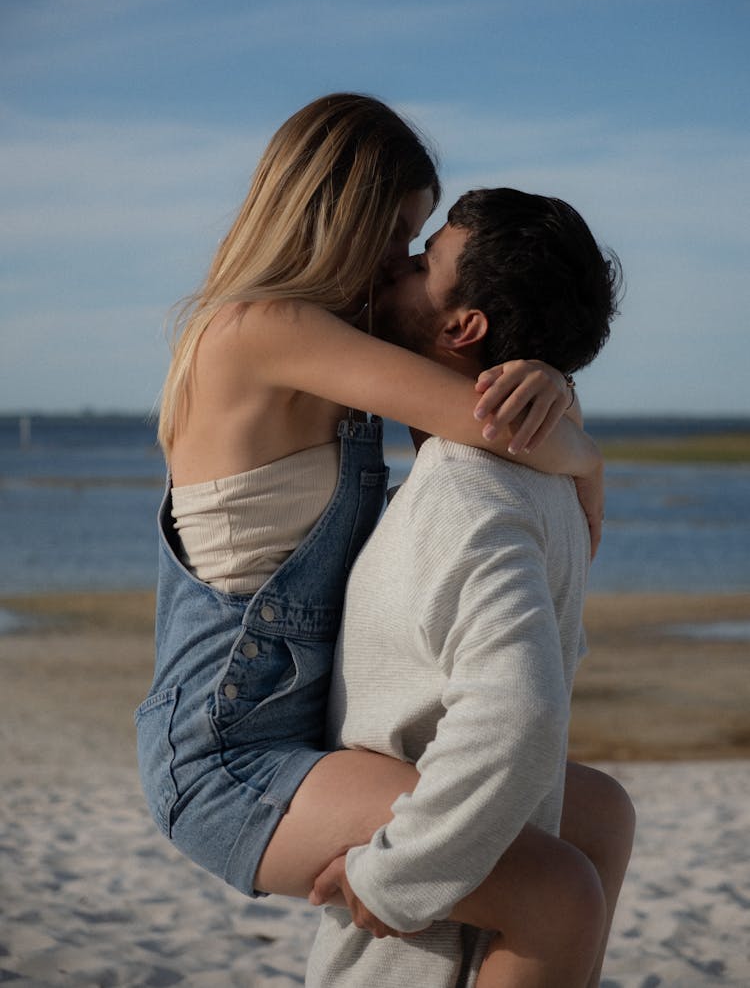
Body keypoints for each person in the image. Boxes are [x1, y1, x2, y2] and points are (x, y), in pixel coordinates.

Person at [135, 95, 607, 973]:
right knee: (553, 891)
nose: (401, 263)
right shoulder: (257, 332)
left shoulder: (332, 336)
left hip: (302, 731)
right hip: (227, 754)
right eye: (397, 234)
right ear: (335, 216)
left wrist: (538, 369)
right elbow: (488, 423)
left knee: (600, 815)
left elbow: (470, 388)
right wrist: (585, 454)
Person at [306, 189, 632, 988]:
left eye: (421, 265)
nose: (395, 269)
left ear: (463, 327)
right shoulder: (543, 484)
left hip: (428, 951)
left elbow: (521, 711)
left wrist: (394, 876)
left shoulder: (464, 495)